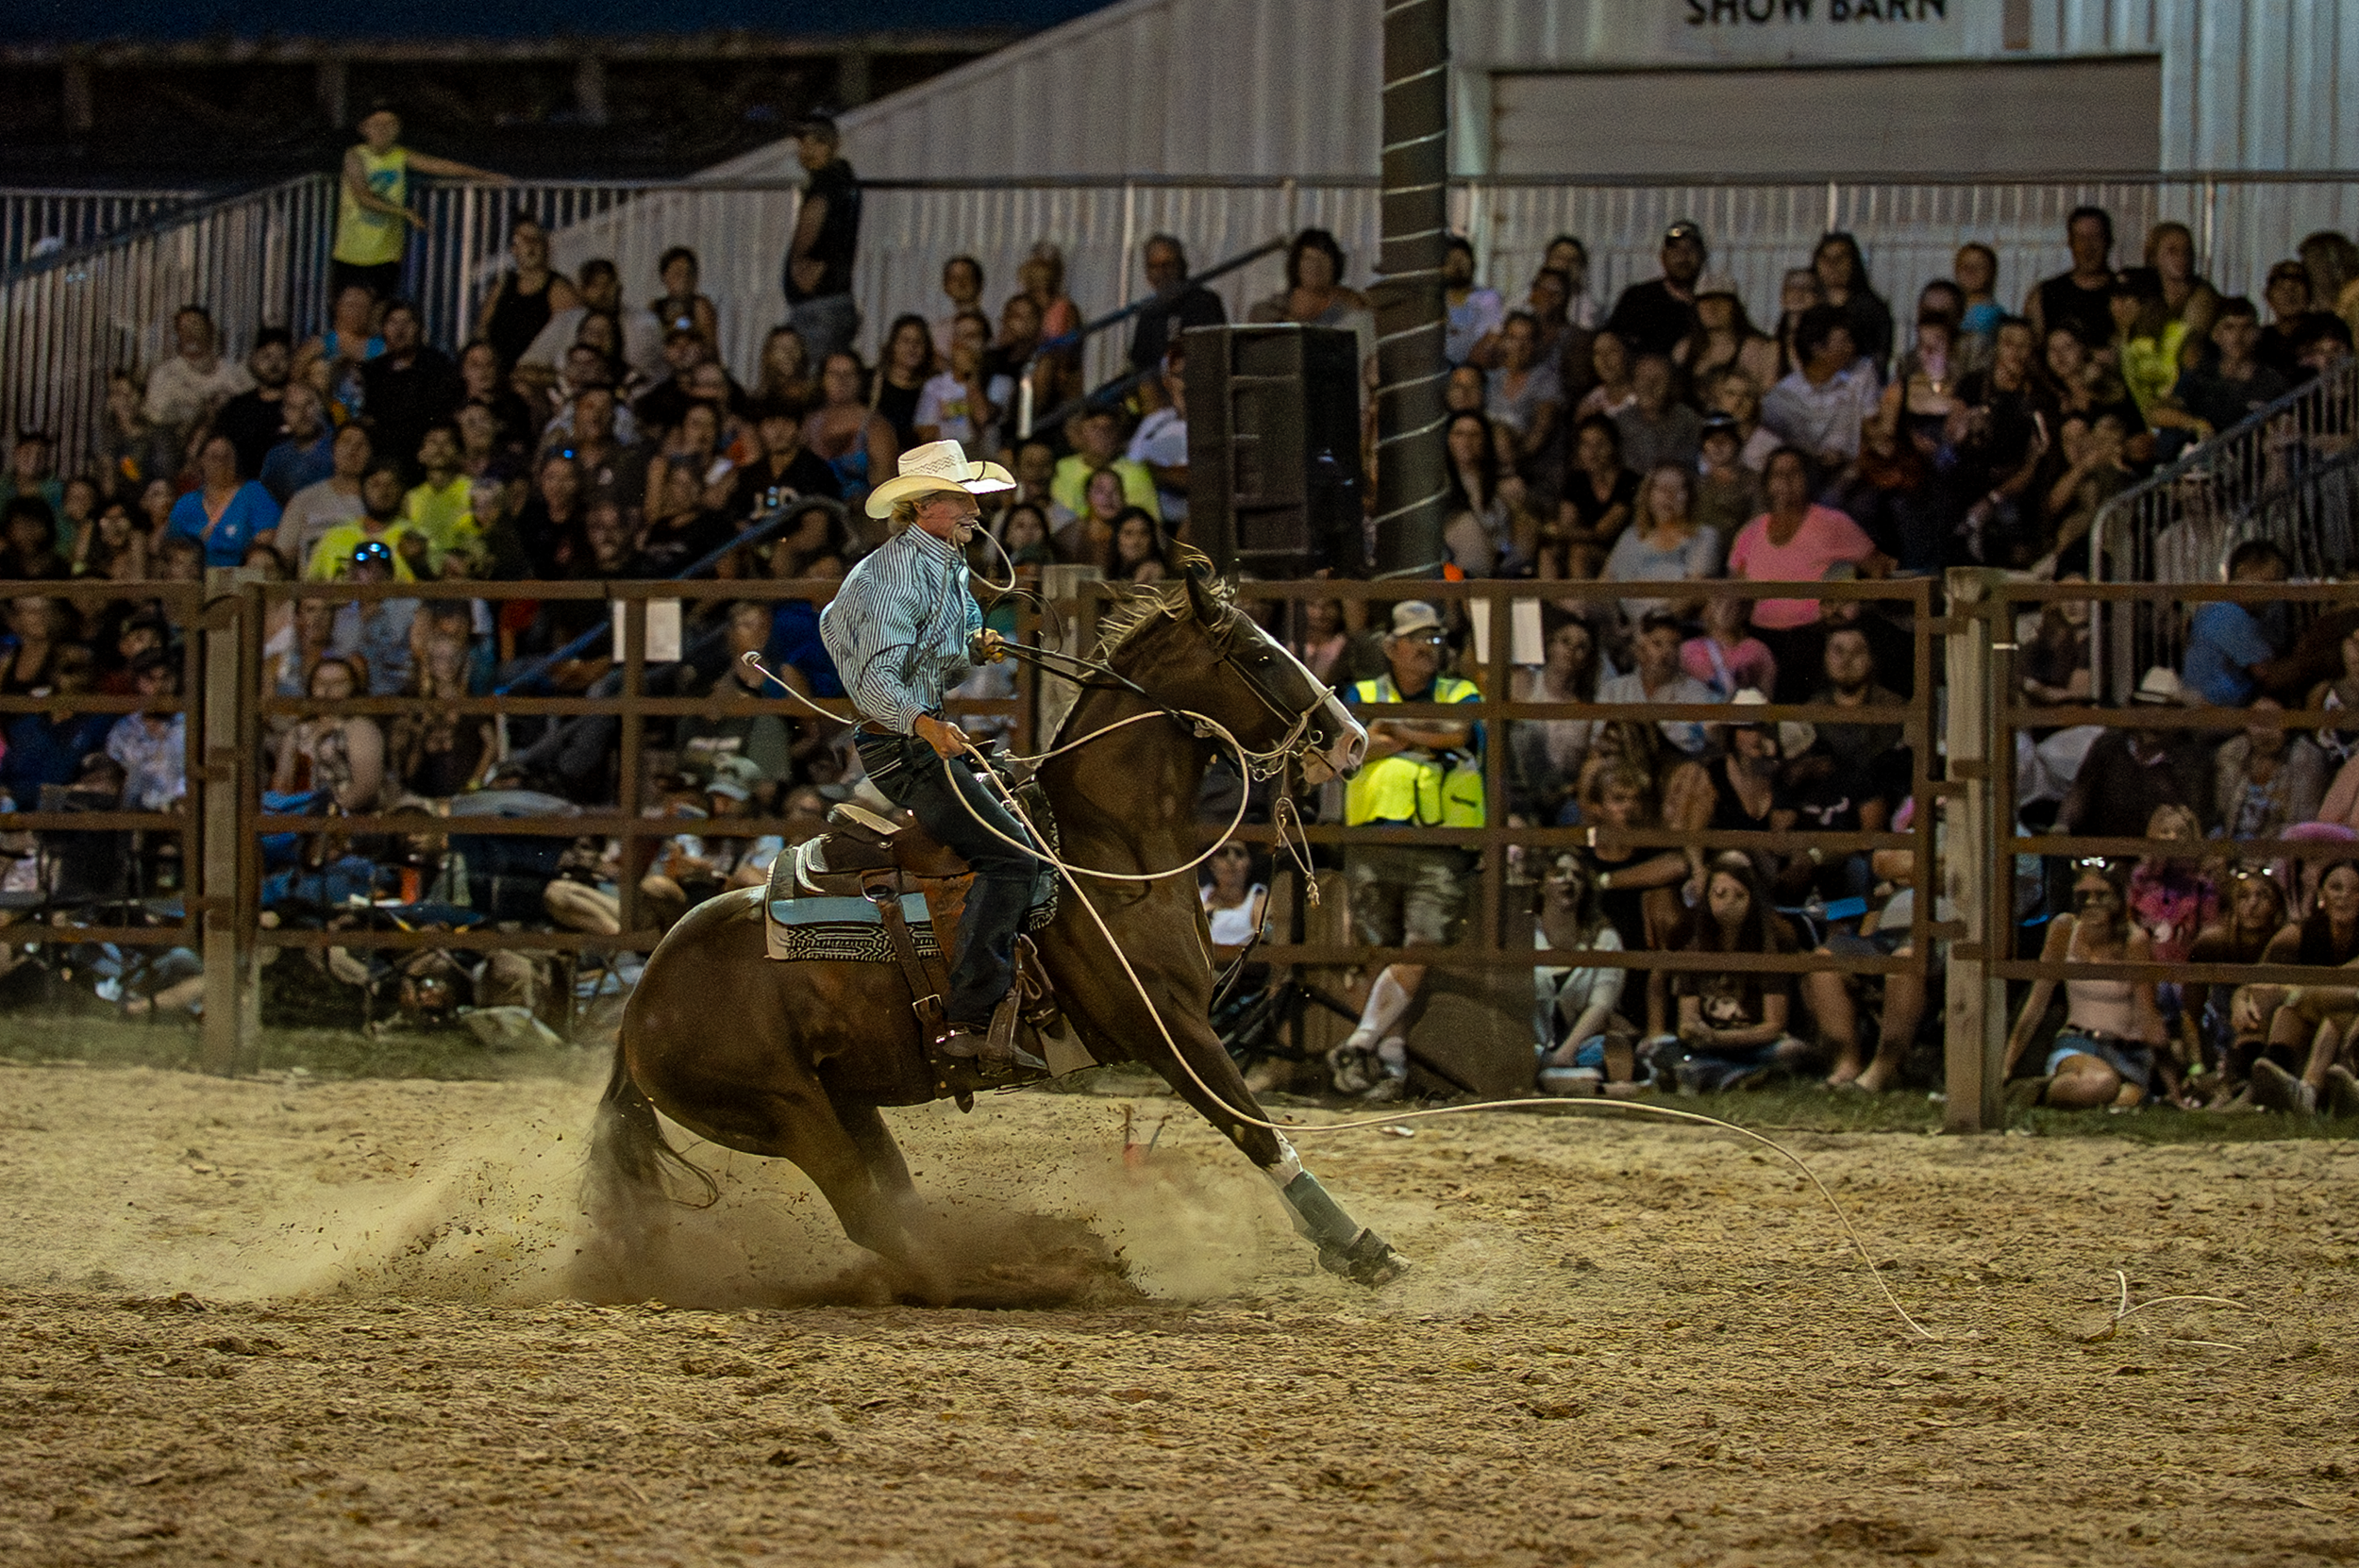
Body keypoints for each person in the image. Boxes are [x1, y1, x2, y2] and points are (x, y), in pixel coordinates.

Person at [817, 438, 1044, 1081]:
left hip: (918, 735)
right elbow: (874, 681)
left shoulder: (943, 561)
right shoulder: (888, 575)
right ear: (926, 507)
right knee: (1010, 856)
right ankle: (971, 1019)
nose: (975, 508)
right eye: (961, 497)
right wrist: (925, 725)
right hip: (900, 745)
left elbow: (945, 640)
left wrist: (977, 644)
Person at [1327, 602, 1483, 1103]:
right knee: (1382, 949)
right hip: (1374, 835)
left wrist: (1393, 731)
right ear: (1391, 648)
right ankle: (1387, 1063)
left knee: (1420, 946)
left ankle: (1358, 1043)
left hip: (1437, 839)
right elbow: (1351, 747)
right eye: (1417, 640)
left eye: (1435, 640)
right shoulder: (1362, 692)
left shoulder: (1459, 691)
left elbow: (1461, 732)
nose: (1428, 649)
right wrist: (1422, 736)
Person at [2004, 858, 2175, 1110]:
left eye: (2101, 895)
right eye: (2085, 896)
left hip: (2126, 1049)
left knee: (2122, 1100)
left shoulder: (2134, 941)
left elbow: (2147, 1014)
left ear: (2118, 899)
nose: (2092, 903)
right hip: (2079, 1042)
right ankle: (2034, 1091)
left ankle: (2093, 1093)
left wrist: (2173, 1085)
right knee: (2098, 1084)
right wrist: (2006, 1065)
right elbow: (2036, 1003)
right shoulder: (2064, 929)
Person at [1657, 852, 1814, 1094]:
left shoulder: (1771, 944)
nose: (1728, 903)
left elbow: (1773, 1025)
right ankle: (1734, 1077)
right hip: (1707, 1044)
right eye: (1720, 895)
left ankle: (1716, 1076)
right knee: (1660, 1050)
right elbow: (1687, 1020)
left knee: (1791, 1051)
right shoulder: (1694, 944)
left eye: (1739, 896)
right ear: (1707, 897)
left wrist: (1721, 1040)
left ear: (1753, 900)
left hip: (1753, 1044)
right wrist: (1696, 1033)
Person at [1726, 447, 1882, 690]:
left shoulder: (1833, 523)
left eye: (1794, 473)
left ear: (1808, 479)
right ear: (1767, 483)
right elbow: (1735, 591)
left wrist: (1847, 593)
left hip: (1816, 635)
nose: (1785, 481)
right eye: (1777, 474)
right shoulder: (1750, 532)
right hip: (1761, 638)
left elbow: (1878, 568)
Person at [331, 101, 509, 303]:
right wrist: (406, 212)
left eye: (390, 124)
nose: (383, 130)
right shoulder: (355, 155)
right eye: (377, 125)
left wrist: (486, 176)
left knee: (380, 308)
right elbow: (363, 195)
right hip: (352, 253)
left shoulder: (399, 155)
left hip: (386, 253)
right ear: (364, 128)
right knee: (346, 307)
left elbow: (441, 166)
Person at [1532, 853, 1631, 1097]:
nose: (1568, 880)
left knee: (1611, 1048)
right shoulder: (1524, 933)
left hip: (1579, 1047)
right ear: (1542, 885)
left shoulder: (1605, 939)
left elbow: (1601, 1007)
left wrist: (1565, 1054)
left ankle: (1569, 1083)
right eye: (1559, 873)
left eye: (1577, 876)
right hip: (1530, 1046)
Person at [781, 116, 863, 366]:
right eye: (803, 144)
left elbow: (810, 231)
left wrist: (801, 266)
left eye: (816, 143)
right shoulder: (844, 182)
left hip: (819, 308)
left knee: (812, 380)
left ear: (834, 145)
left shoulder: (825, 185)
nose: (806, 151)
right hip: (830, 303)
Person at [1761, 308, 1879, 470]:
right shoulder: (1782, 397)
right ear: (1817, 348)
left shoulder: (1861, 371)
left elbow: (1871, 425)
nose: (1851, 347)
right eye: (1844, 341)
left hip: (1854, 472)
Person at [1604, 463, 1721, 626]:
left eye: (1678, 490)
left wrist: (1655, 623)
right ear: (1648, 495)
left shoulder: (1704, 536)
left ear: (1690, 496)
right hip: (1630, 629)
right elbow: (1605, 585)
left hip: (1677, 628)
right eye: (1663, 489)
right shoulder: (1631, 536)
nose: (1670, 497)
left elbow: (1694, 592)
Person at [1595, 608, 1720, 759]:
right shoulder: (1614, 690)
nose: (1666, 653)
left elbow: (1704, 743)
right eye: (1657, 644)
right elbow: (1598, 739)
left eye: (1673, 645)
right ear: (1640, 650)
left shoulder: (1696, 692)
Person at [2182, 540, 2294, 708]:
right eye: (2269, 583)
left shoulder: (2217, 611)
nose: (2273, 596)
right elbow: (2267, 674)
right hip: (2211, 711)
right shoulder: (2228, 614)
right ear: (2243, 572)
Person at [2162, 297, 2291, 440]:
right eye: (2229, 327)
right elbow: (2158, 412)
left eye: (2246, 327)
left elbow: (2287, 425)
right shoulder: (2201, 375)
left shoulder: (2272, 382)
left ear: (2257, 333)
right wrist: (2194, 424)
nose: (2238, 336)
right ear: (2216, 334)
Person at [1248, 228, 1375, 363]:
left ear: (1334, 266)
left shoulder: (1351, 310)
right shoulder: (1272, 307)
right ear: (1297, 264)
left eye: (1322, 259)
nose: (1315, 266)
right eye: (1308, 259)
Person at [475, 215, 578, 373]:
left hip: (534, 373)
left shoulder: (559, 289)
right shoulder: (503, 285)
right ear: (514, 249)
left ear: (546, 246)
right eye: (524, 240)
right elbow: (482, 329)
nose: (530, 246)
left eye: (536, 239)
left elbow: (567, 339)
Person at [143, 306, 254, 448]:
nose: (189, 334)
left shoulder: (235, 373)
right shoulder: (165, 374)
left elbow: (250, 411)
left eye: (195, 326)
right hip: (177, 446)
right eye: (183, 328)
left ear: (210, 329)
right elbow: (156, 416)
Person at [803, 351, 898, 515]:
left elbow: (884, 486)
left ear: (859, 379)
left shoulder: (876, 426)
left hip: (860, 518)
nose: (841, 380)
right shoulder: (810, 424)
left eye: (849, 374)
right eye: (834, 374)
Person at [169, 434, 280, 568]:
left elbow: (267, 535)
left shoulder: (254, 492)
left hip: (240, 572)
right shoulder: (187, 503)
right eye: (215, 457)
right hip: (195, 575)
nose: (222, 463)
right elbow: (169, 543)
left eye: (227, 457)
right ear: (201, 461)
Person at [2023, 205, 2119, 354]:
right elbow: (2031, 351)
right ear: (2070, 242)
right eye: (2081, 238)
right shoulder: (2046, 295)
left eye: (2095, 237)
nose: (2088, 247)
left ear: (2109, 241)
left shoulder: (2124, 294)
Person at [1604, 220, 1705, 359]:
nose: (1683, 256)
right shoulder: (1638, 298)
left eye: (1691, 249)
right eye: (1675, 249)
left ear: (1703, 256)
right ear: (1663, 257)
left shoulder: (1714, 303)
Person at [306, 460, 421, 582]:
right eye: (375, 484)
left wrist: (420, 562)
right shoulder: (334, 535)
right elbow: (310, 589)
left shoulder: (415, 537)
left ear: (401, 491)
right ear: (362, 489)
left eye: (391, 484)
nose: (384, 491)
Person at [914, 311, 1012, 454]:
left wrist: (971, 377)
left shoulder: (1001, 384)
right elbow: (924, 432)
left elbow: (982, 417)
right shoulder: (935, 385)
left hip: (984, 459)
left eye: (972, 336)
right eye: (958, 336)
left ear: (985, 342)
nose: (963, 343)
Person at [1129, 234, 1227, 373]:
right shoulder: (1148, 312)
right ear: (1148, 274)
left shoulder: (1205, 303)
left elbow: (1214, 359)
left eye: (1167, 265)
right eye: (1154, 267)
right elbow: (1140, 366)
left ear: (1181, 266)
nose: (1161, 273)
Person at [212, 327, 295, 479]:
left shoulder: (299, 406)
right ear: (253, 359)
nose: (274, 364)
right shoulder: (236, 406)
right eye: (267, 357)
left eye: (282, 357)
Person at [1675, 275, 1779, 394]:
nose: (1711, 308)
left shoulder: (1759, 350)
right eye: (1704, 302)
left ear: (1734, 307)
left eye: (1720, 301)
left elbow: (1768, 398)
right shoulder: (1683, 350)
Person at [1811, 232, 1895, 376]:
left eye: (1840, 258)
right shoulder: (1809, 310)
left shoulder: (1873, 312)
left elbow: (1878, 361)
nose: (1832, 265)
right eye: (1825, 258)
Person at [1050, 407, 1158, 519]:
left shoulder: (1135, 471)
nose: (1103, 435)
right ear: (1079, 434)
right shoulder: (1063, 467)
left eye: (1109, 429)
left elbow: (1143, 523)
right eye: (1095, 428)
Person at [1613, 352, 1701, 475]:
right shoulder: (1618, 424)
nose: (1649, 386)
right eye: (1642, 378)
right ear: (1633, 384)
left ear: (1671, 385)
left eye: (1658, 379)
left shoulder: (1689, 421)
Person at [259, 381, 337, 504]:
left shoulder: (340, 446)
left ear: (321, 405)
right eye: (293, 407)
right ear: (284, 413)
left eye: (309, 404)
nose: (303, 414)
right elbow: (264, 503)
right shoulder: (276, 457)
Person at [1442, 236, 1504, 366]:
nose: (1457, 267)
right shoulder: (1435, 301)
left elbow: (1491, 336)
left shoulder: (1488, 298)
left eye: (1462, 260)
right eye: (1452, 261)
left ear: (1473, 263)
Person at [649, 245, 720, 357]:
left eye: (688, 273)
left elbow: (709, 346)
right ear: (664, 276)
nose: (684, 279)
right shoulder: (656, 306)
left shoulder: (700, 305)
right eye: (677, 273)